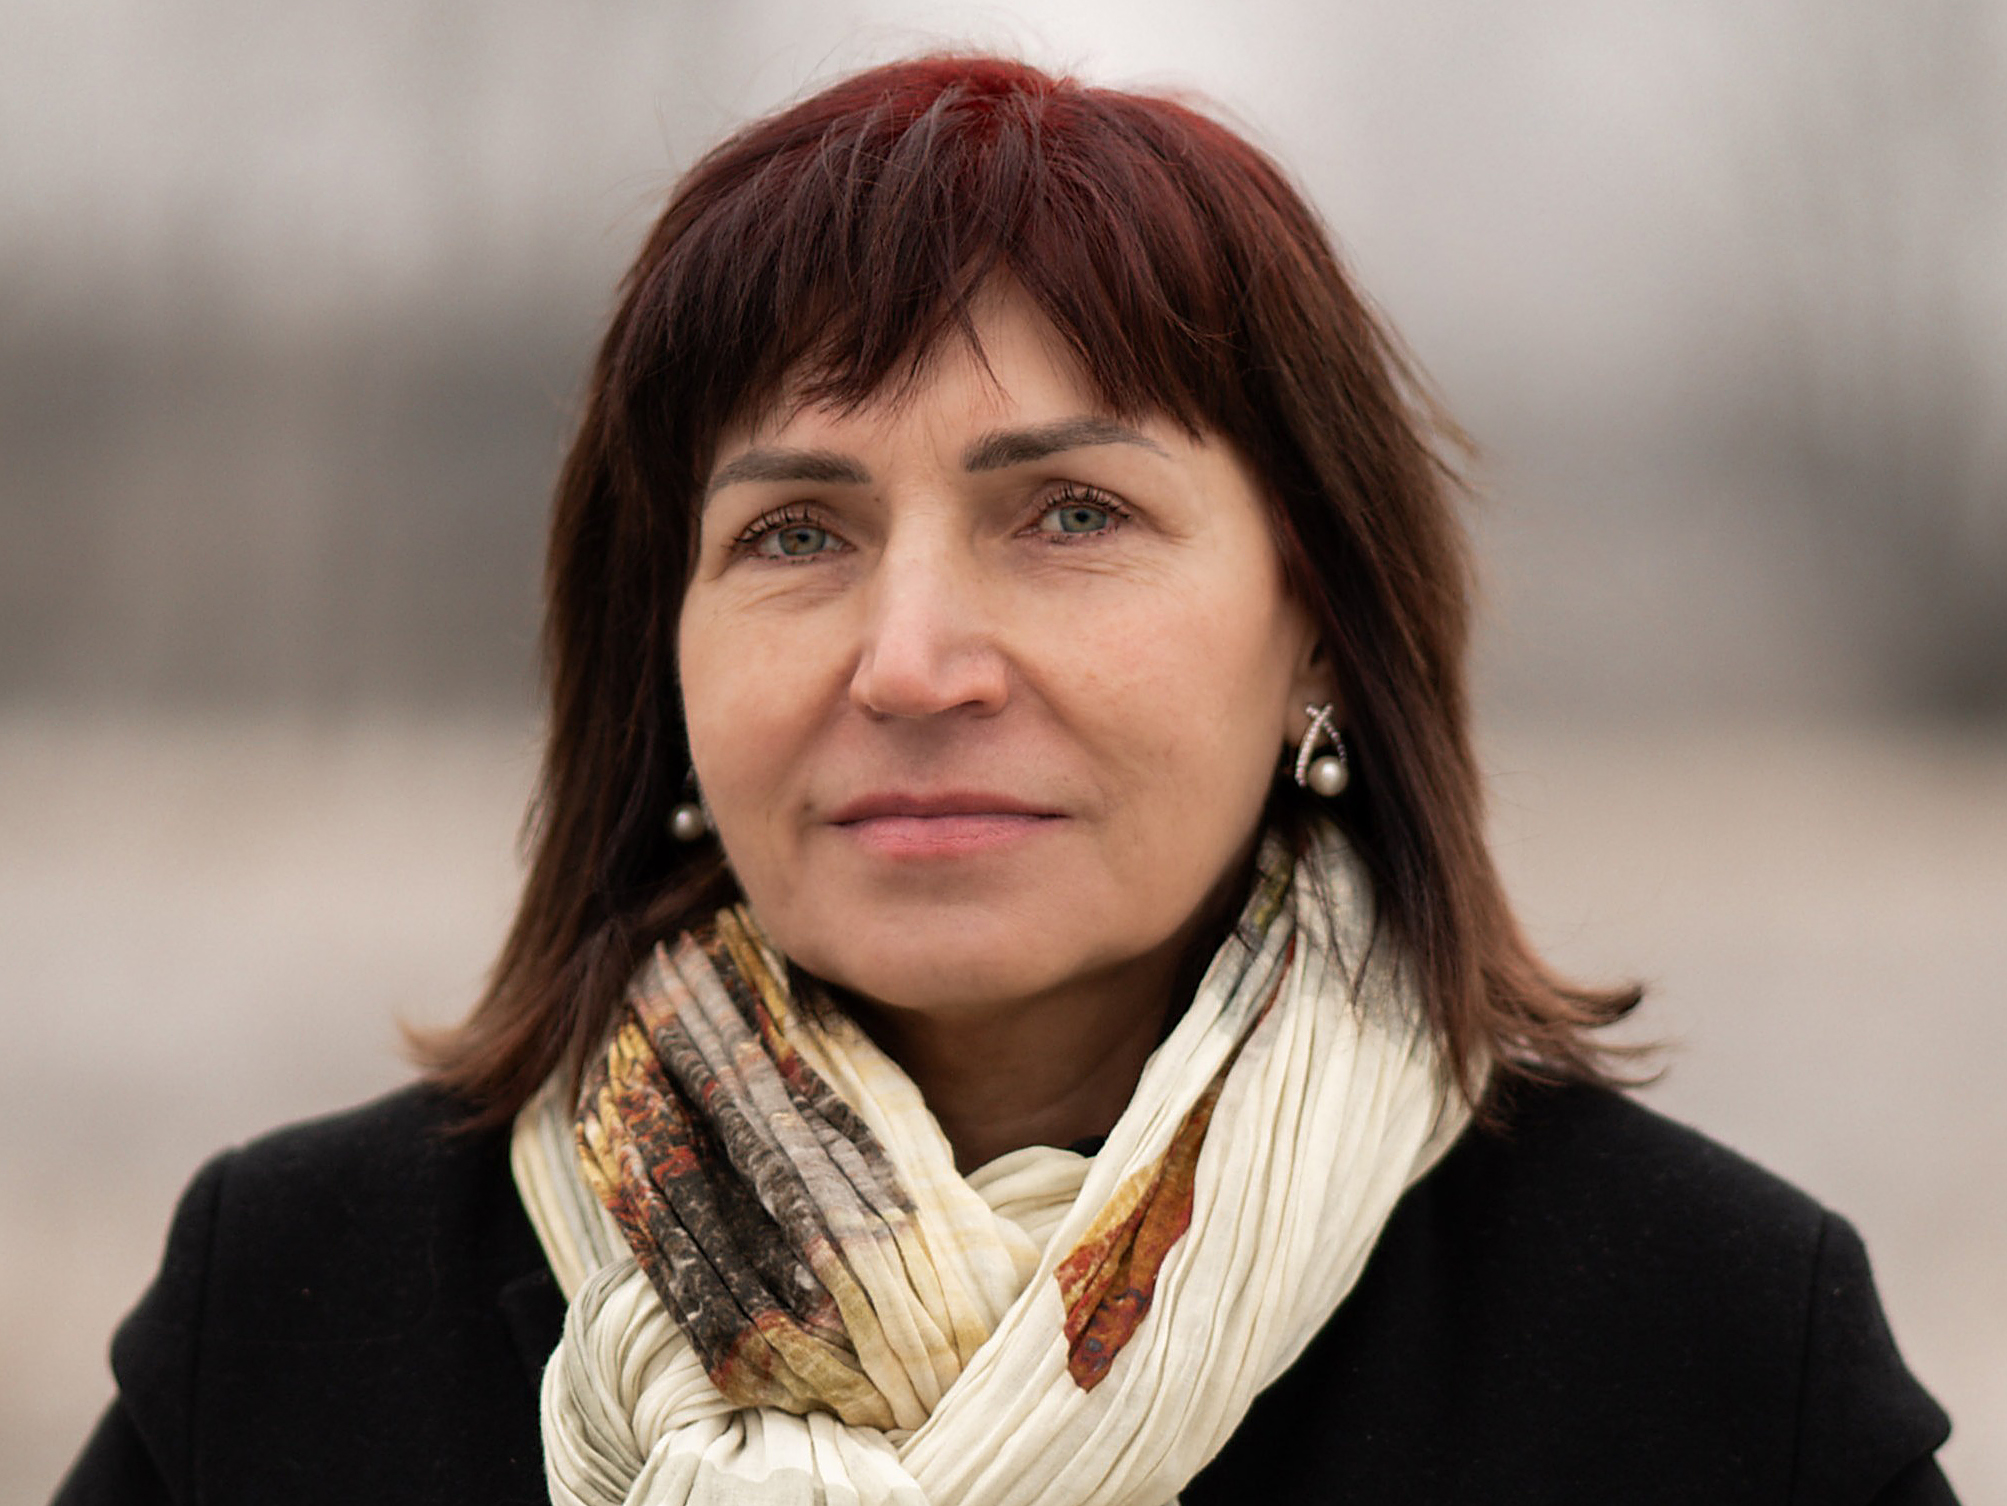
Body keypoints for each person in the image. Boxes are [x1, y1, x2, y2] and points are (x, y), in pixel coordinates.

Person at [54, 54, 1955, 1506]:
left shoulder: (1711, 1357)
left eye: (1071, 512)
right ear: (667, 655)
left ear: (1317, 625)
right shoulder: (292, 1313)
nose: (913, 663)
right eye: (796, 532)